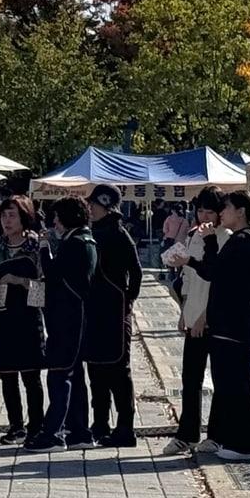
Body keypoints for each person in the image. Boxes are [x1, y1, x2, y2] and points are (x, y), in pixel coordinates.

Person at [174, 190, 250, 461]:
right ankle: (237, 441)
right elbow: (213, 270)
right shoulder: (240, 240)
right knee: (230, 384)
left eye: (224, 209)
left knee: (235, 386)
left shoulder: (243, 241)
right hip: (229, 325)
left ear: (240, 211)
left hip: (234, 324)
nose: (220, 214)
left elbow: (219, 275)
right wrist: (193, 259)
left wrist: (207, 247)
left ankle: (244, 444)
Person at [26, 198, 99, 452]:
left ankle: (53, 432)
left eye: (56, 217)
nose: (53, 222)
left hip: (66, 315)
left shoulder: (75, 242)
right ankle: (79, 430)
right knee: (74, 373)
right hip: (76, 313)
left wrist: (44, 246)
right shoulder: (86, 240)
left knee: (59, 374)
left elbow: (54, 272)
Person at [161, 187, 227, 456]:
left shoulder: (224, 237)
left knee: (220, 379)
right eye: (200, 210)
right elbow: (188, 278)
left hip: (213, 318)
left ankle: (216, 434)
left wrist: (204, 315)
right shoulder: (192, 234)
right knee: (190, 378)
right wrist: (184, 311)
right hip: (192, 314)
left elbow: (218, 282)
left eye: (210, 211)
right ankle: (186, 433)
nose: (204, 216)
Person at [84, 184, 142, 448]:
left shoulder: (118, 233)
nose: (90, 208)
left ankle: (125, 426)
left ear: (106, 205)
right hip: (94, 310)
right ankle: (99, 424)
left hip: (115, 310)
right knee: (96, 368)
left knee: (118, 369)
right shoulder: (90, 232)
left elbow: (137, 271)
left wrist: (128, 299)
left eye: (94, 204)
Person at [0, 196, 47, 443]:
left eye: (12, 215)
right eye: (3, 215)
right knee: (7, 373)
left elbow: (44, 286)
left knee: (31, 374)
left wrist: (20, 281)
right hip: (1, 315)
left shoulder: (36, 246)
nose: (7, 220)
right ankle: (15, 425)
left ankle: (37, 425)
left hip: (28, 315)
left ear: (24, 217)